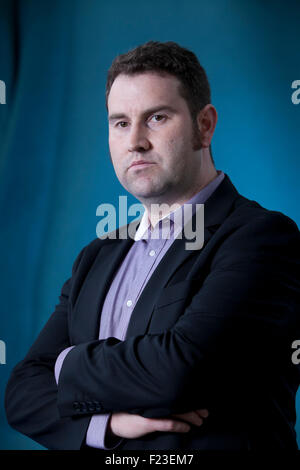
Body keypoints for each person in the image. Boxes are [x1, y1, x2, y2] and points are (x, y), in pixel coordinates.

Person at [5, 41, 300, 451]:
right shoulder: (97, 255)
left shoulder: (263, 239)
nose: (136, 142)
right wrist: (108, 424)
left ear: (205, 125)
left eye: (157, 118)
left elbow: (177, 371)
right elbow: (20, 392)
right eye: (120, 123)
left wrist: (65, 363)